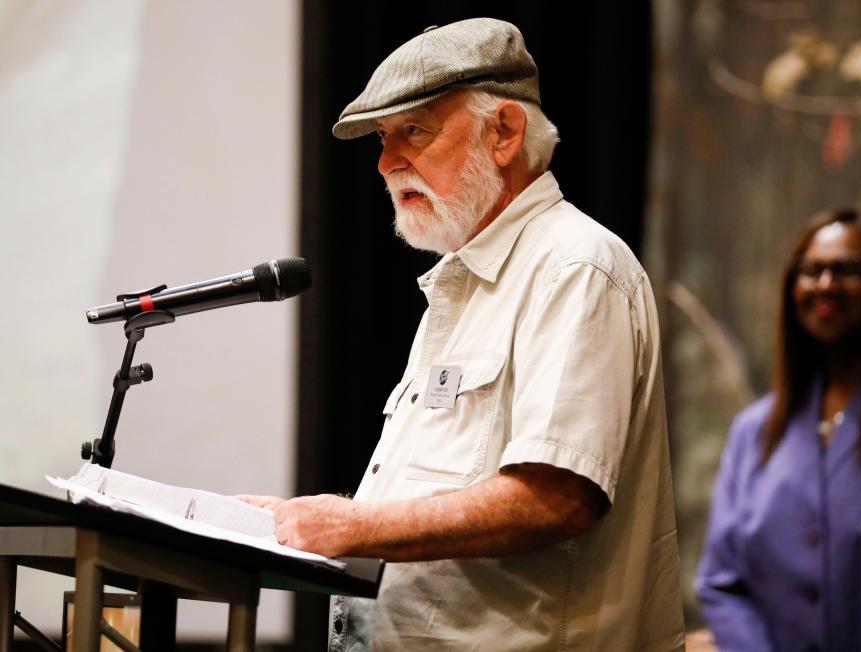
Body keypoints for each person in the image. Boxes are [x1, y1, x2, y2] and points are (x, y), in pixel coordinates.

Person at [240, 17, 684, 651]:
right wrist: (293, 523)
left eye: (413, 132)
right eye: (383, 140)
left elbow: (555, 498)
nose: (387, 164)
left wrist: (352, 525)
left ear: (504, 131)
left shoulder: (574, 266)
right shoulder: (466, 282)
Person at [695, 208, 861, 651]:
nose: (825, 284)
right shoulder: (755, 430)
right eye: (811, 270)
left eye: (847, 270)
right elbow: (723, 583)